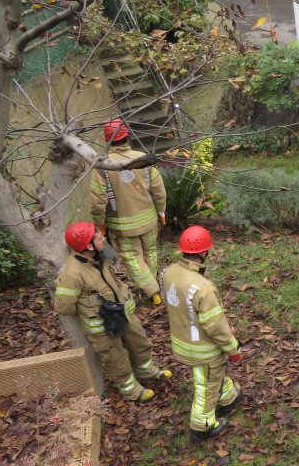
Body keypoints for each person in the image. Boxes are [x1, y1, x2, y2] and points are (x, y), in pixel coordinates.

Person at [54, 222, 172, 401]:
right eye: (98, 237)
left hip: (121, 312)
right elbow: (64, 306)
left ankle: (145, 370)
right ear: (88, 246)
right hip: (100, 323)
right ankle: (130, 389)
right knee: (116, 357)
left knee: (139, 341)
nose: (103, 238)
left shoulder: (100, 256)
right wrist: (90, 308)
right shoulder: (72, 273)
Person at [161, 225, 242, 441]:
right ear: (204, 252)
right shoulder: (203, 288)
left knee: (211, 376)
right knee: (206, 385)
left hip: (181, 339)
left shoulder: (170, 273)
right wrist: (232, 349)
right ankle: (203, 425)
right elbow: (215, 326)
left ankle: (228, 397)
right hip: (202, 349)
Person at [90, 118, 167, 304]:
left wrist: (99, 223)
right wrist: (161, 212)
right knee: (150, 252)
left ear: (106, 139)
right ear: (128, 135)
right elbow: (159, 191)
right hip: (149, 220)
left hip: (122, 227)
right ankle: (153, 285)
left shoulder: (102, 167)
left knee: (133, 258)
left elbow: (97, 202)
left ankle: (153, 292)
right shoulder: (143, 158)